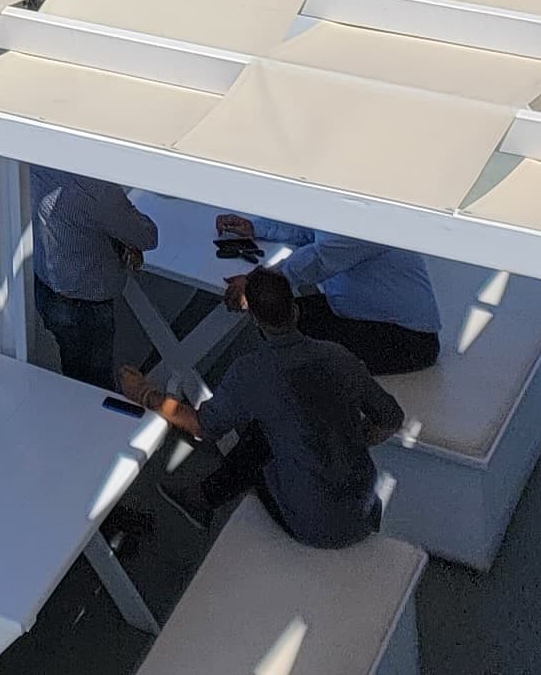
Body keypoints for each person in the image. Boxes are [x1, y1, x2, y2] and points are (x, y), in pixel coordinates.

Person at [150, 264, 406, 546]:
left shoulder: (251, 372)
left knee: (260, 439)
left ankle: (202, 498)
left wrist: (145, 394)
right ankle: (202, 497)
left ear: (256, 320)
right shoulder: (338, 356)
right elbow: (391, 418)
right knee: (280, 425)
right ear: (295, 310)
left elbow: (202, 426)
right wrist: (355, 437)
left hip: (313, 525)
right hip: (366, 509)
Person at [33, 172, 159, 386]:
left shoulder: (34, 163)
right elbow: (147, 236)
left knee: (73, 371)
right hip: (86, 306)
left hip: (45, 286)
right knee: (96, 382)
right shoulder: (97, 190)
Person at [262, 231, 443, 376]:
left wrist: (262, 284)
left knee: (279, 327)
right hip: (365, 315)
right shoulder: (350, 213)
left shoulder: (364, 225)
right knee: (281, 317)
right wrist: (257, 228)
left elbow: (321, 259)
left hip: (407, 340)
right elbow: (308, 233)